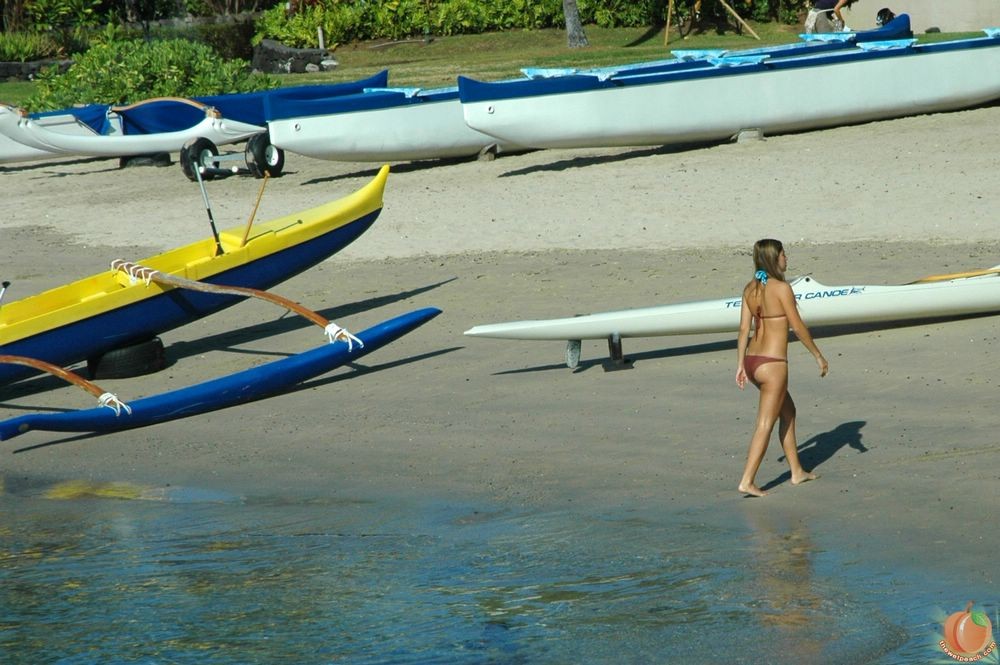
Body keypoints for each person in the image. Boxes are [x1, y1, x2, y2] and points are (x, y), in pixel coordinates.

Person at [735, 239, 829, 497]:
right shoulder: (781, 288)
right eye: (784, 254)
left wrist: (740, 366)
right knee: (765, 422)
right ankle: (747, 480)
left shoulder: (750, 288)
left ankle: (796, 471)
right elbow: (797, 327)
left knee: (788, 412)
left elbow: (744, 330)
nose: (787, 258)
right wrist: (818, 356)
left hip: (753, 362)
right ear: (774, 259)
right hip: (773, 365)